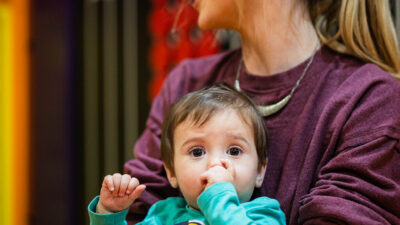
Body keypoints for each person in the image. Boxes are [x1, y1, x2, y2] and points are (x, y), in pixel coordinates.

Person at [124, 0, 400, 224]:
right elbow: (135, 213)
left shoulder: (371, 100)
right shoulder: (185, 85)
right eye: (197, 152)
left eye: (233, 151)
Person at [88, 83, 286, 225]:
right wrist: (109, 213)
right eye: (197, 152)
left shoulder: (263, 213)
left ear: (260, 171)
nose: (215, 164)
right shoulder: (163, 215)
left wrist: (219, 197)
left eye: (234, 151)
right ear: (172, 173)